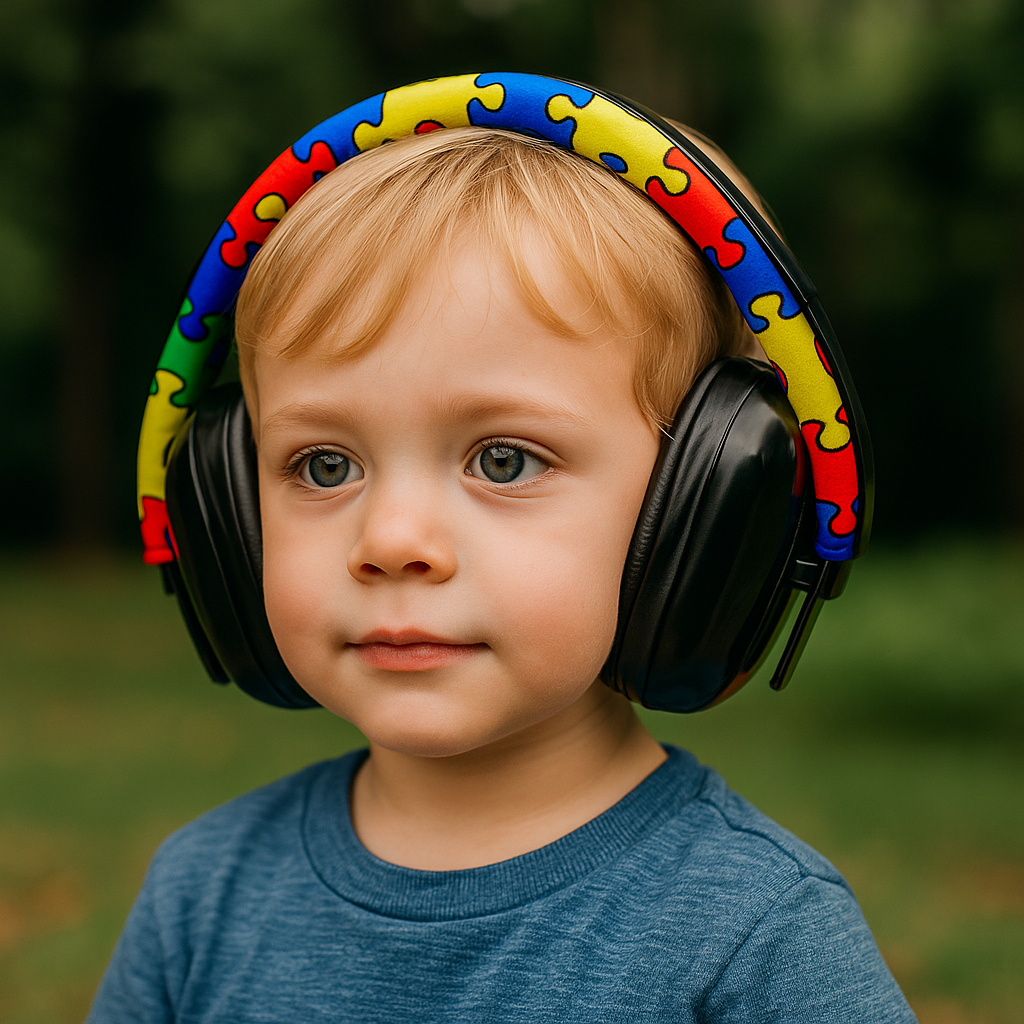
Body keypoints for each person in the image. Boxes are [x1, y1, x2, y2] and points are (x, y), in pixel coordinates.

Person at [90, 78, 916, 1022]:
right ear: (223, 513)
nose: (392, 542)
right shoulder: (200, 896)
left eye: (505, 458)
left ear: (710, 507)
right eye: (323, 466)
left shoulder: (756, 936)